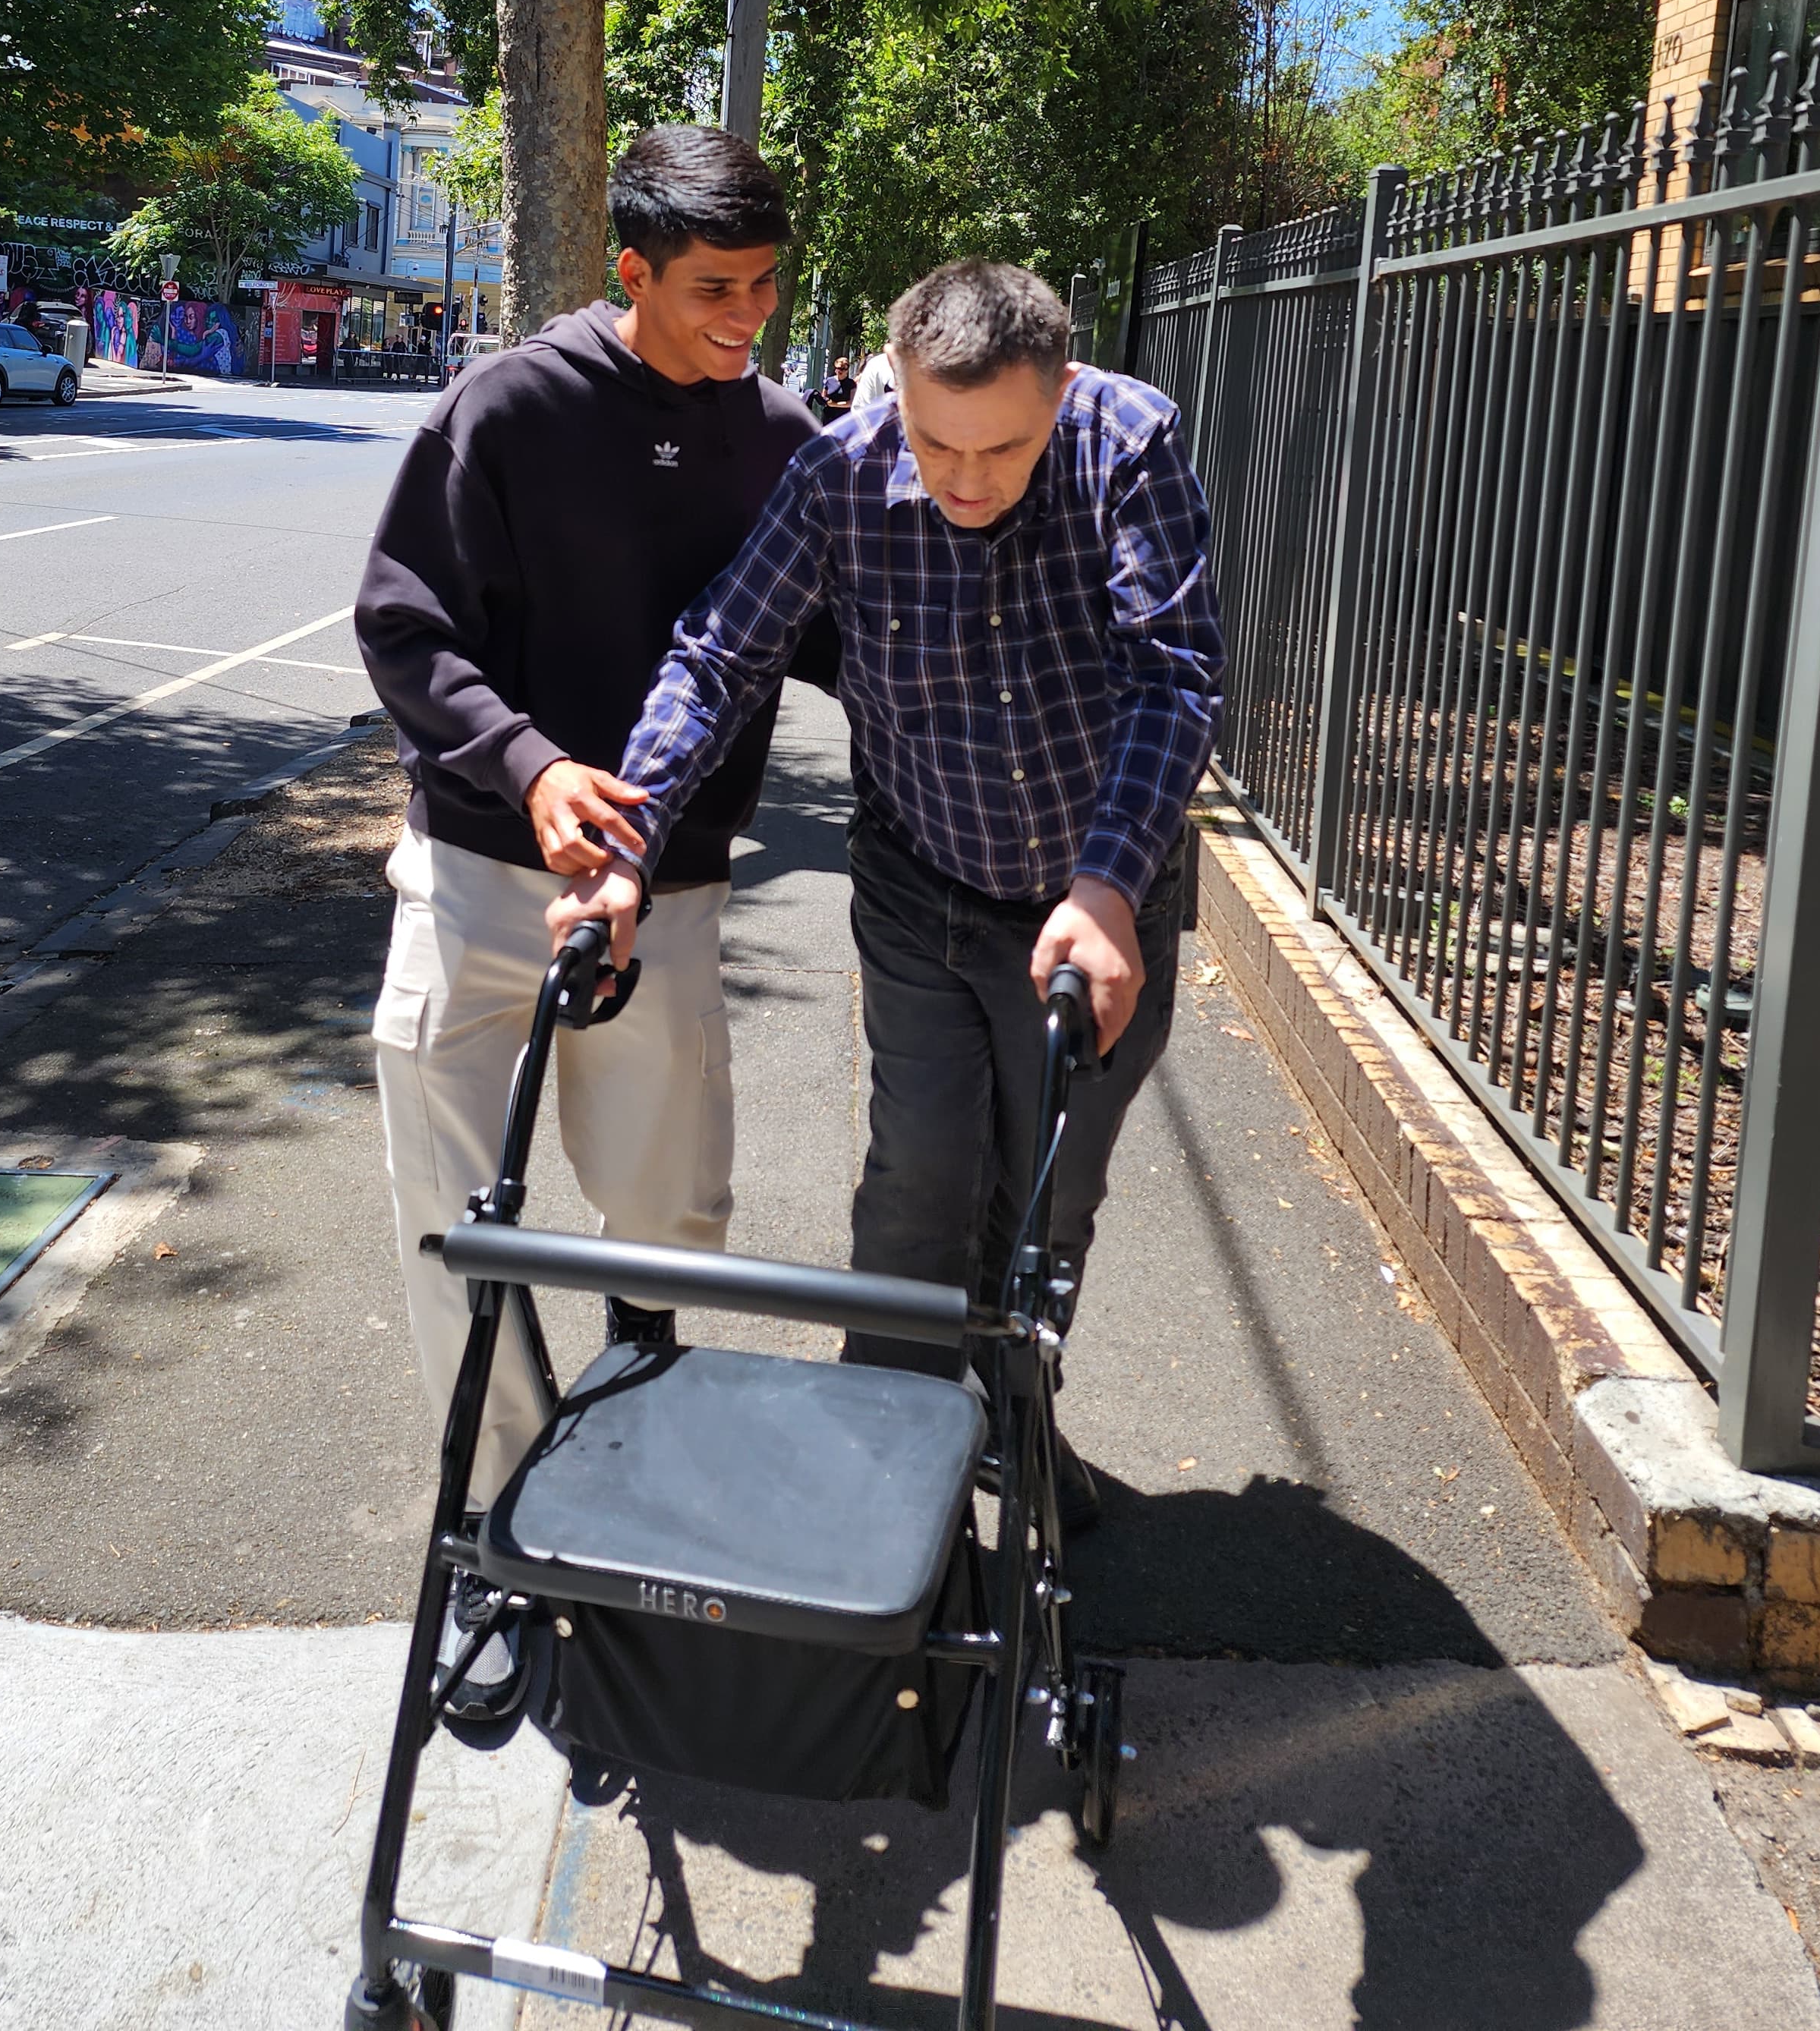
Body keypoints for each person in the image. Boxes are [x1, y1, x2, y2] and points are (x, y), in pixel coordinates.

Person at [547, 257, 1222, 1528]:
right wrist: (626, 848)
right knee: (917, 1182)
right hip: (921, 887)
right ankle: (884, 1463)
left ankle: (1014, 1417)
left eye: (1003, 449)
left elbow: (1172, 677)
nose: (965, 481)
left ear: (1062, 392)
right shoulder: (841, 474)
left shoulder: (1128, 442)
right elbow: (717, 657)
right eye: (935, 441)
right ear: (892, 387)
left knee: (1047, 1193)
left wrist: (1109, 883)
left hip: (1094, 907)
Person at [354, 124, 827, 1718]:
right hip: (486, 872)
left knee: (665, 1208)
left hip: (674, 885)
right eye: (713, 287)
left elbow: (828, 632)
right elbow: (405, 622)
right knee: (450, 1218)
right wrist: (530, 766)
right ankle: (495, 1533)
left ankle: (630, 1464)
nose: (746, 315)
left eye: (766, 284)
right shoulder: (511, 404)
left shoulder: (779, 435)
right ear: (629, 269)